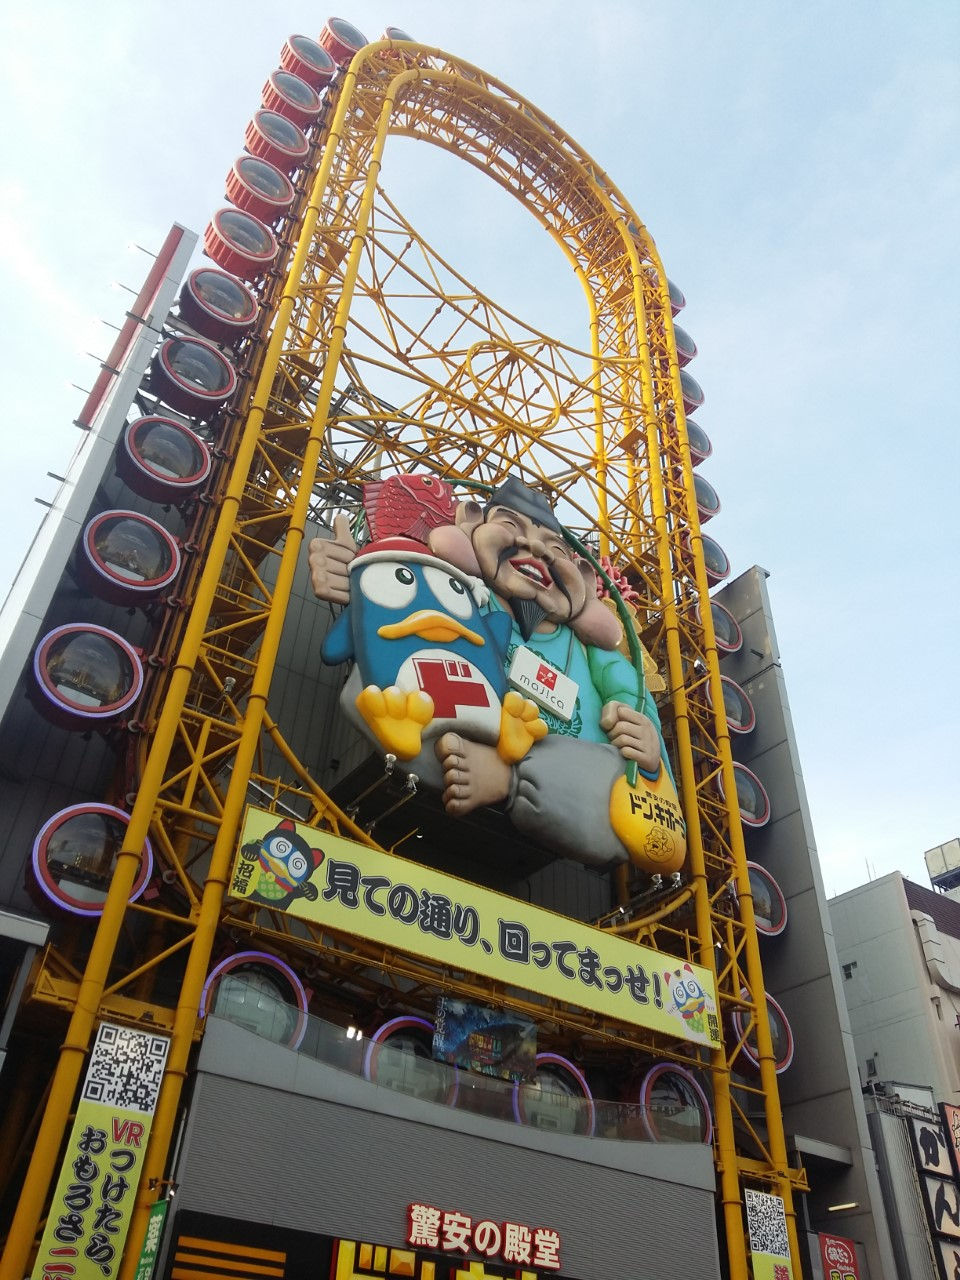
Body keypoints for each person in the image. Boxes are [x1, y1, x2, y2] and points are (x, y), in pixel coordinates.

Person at [309, 475, 678, 868]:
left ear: (585, 579)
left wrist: (650, 751)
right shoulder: (458, 593)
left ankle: (505, 778)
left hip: (577, 784)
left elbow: (639, 717)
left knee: (618, 784)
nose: (535, 548)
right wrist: (361, 576)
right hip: (451, 744)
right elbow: (394, 619)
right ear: (469, 524)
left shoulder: (595, 656)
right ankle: (488, 765)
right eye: (509, 526)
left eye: (555, 549)